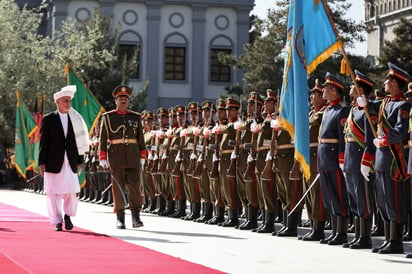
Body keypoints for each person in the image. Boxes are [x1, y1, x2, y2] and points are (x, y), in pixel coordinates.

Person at [371, 63, 411, 254]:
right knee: (383, 201)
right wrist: (363, 101)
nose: (385, 82)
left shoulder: (403, 105)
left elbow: (401, 130)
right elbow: (371, 106)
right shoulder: (385, 102)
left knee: (394, 200)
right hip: (380, 159)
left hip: (393, 158)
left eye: (388, 80)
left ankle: (396, 240)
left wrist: (384, 140)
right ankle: (388, 238)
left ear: (395, 83)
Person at [39, 85, 89, 231]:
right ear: (58, 102)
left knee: (71, 190)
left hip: (70, 160)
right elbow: (44, 142)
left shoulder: (75, 119)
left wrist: (80, 160)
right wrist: (42, 162)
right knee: (53, 192)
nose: (67, 104)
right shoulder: (49, 119)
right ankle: (57, 221)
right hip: (53, 161)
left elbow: (79, 141)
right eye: (65, 101)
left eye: (69, 101)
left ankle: (68, 215)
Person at [99, 85, 147, 229]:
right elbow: (103, 139)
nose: (123, 100)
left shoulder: (135, 117)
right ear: (116, 101)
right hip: (116, 157)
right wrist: (102, 157)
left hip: (133, 156)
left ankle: (136, 217)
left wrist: (143, 155)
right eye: (121, 98)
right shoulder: (108, 117)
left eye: (126, 98)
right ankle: (120, 218)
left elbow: (141, 139)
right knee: (118, 188)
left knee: (134, 187)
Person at [318, 72, 350, 245]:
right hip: (324, 157)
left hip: (333, 157)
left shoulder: (341, 110)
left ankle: (342, 233)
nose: (323, 90)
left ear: (334, 91)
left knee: (338, 195)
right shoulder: (328, 110)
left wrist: (341, 157)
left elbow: (341, 136)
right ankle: (334, 231)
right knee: (329, 196)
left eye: (326, 88)